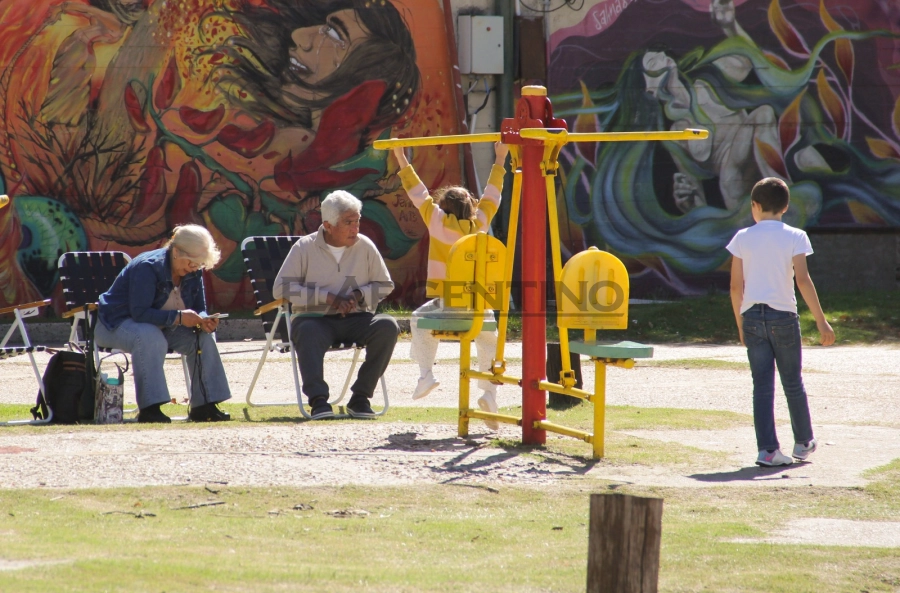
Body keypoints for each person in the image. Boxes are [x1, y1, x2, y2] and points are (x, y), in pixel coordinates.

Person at [392, 142, 508, 430]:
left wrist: (400, 157)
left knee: (418, 320)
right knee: (488, 340)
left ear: (443, 206)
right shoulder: (480, 223)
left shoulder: (435, 220)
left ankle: (426, 374)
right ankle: (489, 393)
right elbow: (493, 194)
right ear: (471, 207)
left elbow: (417, 192)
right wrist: (501, 157)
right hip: (479, 310)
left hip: (448, 306)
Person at [726, 177, 835, 467]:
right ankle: (803, 442)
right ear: (785, 207)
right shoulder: (796, 236)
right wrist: (822, 322)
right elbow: (803, 280)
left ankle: (768, 451)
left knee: (761, 386)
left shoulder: (742, 238)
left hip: (751, 316)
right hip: (784, 316)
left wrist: (740, 325)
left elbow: (736, 287)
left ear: (755, 206)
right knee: (792, 382)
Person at [272, 190, 398, 420]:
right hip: (315, 320)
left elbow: (385, 285)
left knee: (387, 325)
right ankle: (319, 401)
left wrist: (359, 295)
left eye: (357, 221)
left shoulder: (365, 246)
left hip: (356, 319)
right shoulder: (304, 247)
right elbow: (281, 289)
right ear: (328, 225)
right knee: (306, 330)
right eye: (348, 222)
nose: (355, 228)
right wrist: (327, 297)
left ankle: (360, 398)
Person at [96, 224, 232, 423]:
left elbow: (199, 307)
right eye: (191, 262)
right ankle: (150, 409)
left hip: (161, 326)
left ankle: (205, 406)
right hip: (116, 324)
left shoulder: (193, 270)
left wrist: (204, 320)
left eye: (199, 264)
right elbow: (139, 313)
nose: (194, 268)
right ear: (176, 252)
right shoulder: (148, 267)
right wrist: (178, 317)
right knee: (150, 336)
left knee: (202, 338)